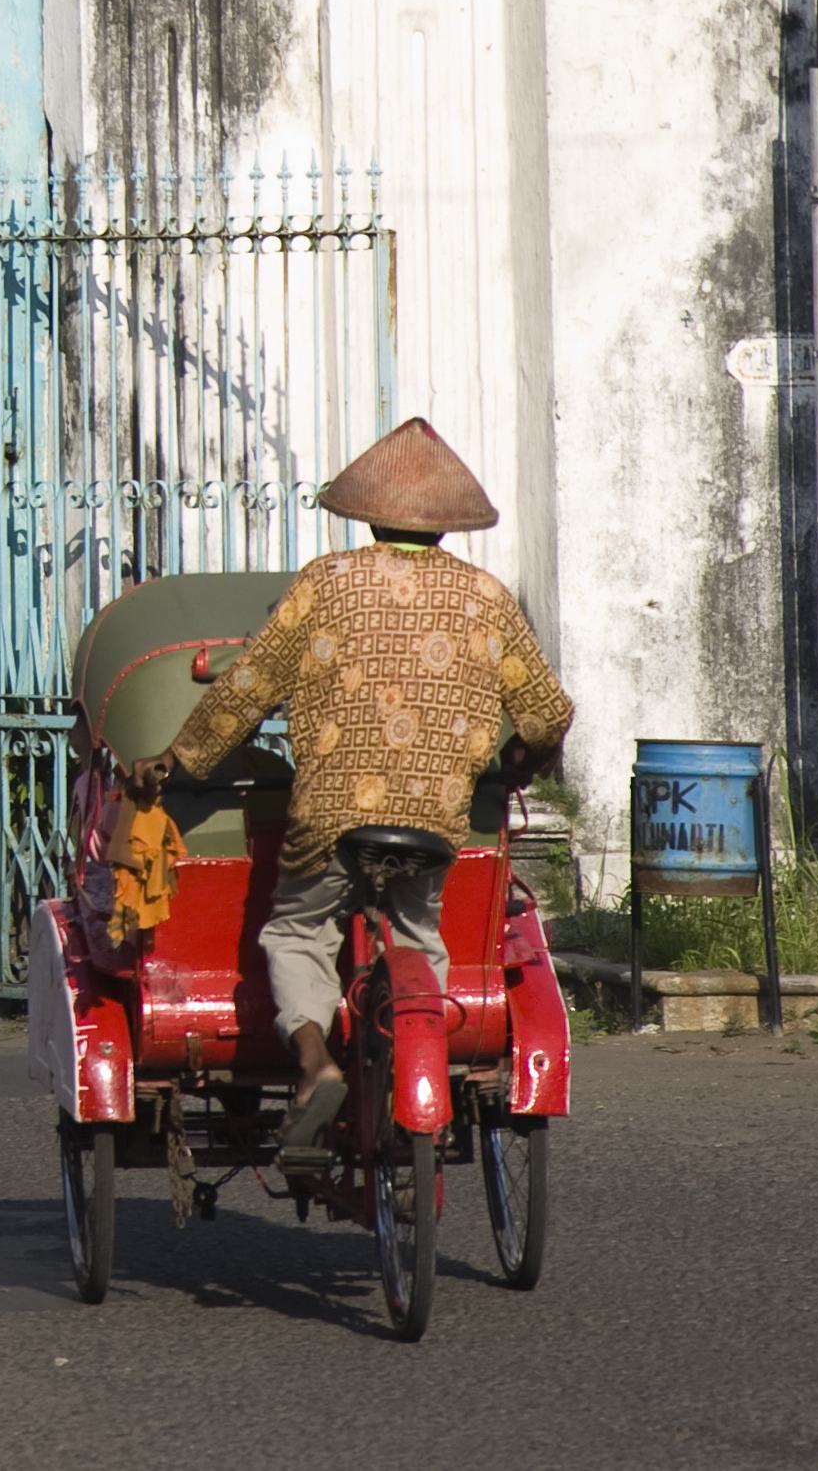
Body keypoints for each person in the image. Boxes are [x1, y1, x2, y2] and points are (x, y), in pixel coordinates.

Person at [125, 417, 574, 1167]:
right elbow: (549, 713)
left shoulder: (325, 585)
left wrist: (178, 760)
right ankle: (411, 1054)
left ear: (368, 515)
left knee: (296, 933)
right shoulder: (487, 598)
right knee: (421, 934)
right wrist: (524, 757)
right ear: (446, 527)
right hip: (435, 821)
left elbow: (244, 694)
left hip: (329, 817)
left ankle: (315, 1067)